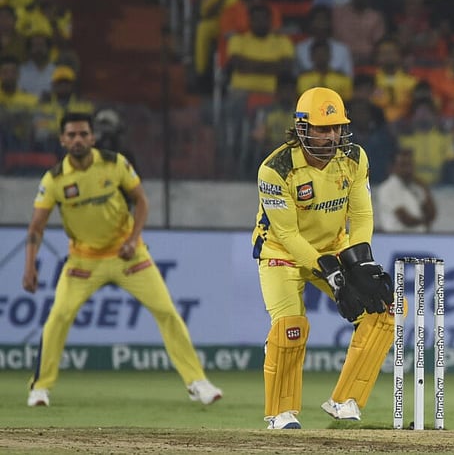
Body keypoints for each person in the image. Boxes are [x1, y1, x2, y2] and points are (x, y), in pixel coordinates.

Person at [20, 113, 222, 408]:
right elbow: (36, 228)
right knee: (58, 317)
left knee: (166, 311)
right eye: (71, 135)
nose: (78, 140)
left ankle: (197, 382)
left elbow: (141, 201)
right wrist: (29, 266)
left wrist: (132, 240)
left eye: (83, 134)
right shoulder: (54, 179)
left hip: (128, 255)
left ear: (92, 137)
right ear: (62, 140)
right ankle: (40, 387)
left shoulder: (114, 163)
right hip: (84, 261)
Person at [251, 86, 395, 429]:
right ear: (302, 127)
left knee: (385, 310)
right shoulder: (276, 169)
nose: (331, 136)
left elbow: (361, 215)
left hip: (332, 246)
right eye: (322, 129)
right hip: (281, 254)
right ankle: (281, 413)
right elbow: (288, 235)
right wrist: (330, 272)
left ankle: (345, 400)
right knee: (290, 327)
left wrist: (361, 261)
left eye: (336, 128)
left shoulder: (354, 158)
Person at [375, 148, 437, 233]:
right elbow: (405, 219)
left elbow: (431, 214)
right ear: (392, 167)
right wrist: (425, 221)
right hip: (397, 237)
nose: (408, 169)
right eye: (403, 165)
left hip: (419, 236)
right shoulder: (387, 189)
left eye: (410, 164)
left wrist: (425, 188)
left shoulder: (416, 187)